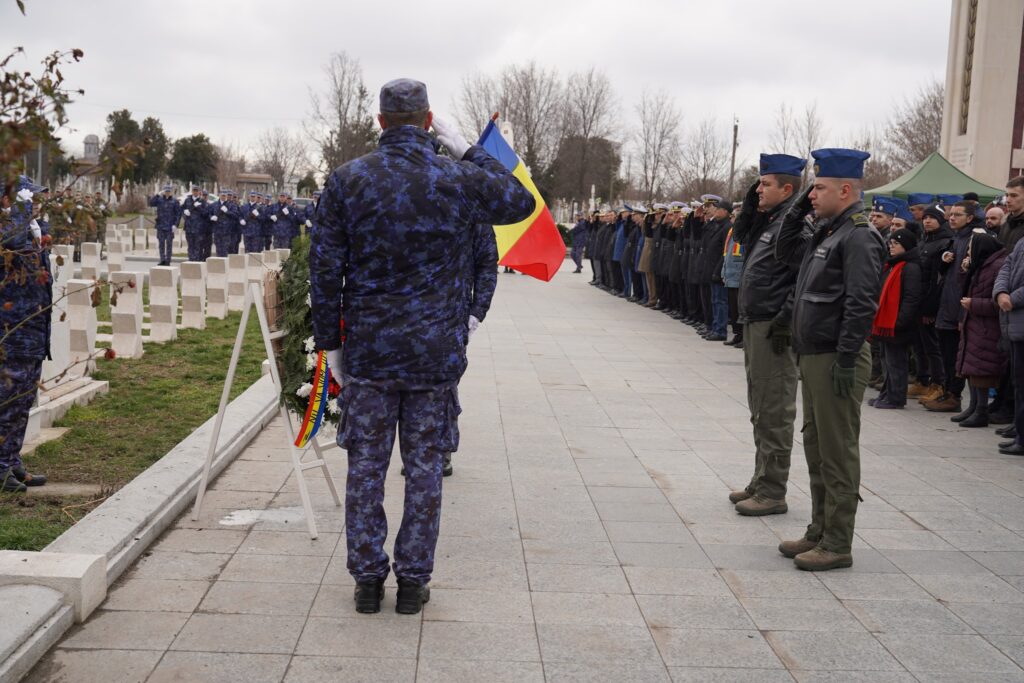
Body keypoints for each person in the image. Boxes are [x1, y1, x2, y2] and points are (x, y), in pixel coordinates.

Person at [309, 78, 535, 615]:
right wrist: (468, 148)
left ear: (381, 121)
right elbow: (520, 203)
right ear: (429, 120)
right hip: (434, 353)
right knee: (425, 469)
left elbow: (325, 272)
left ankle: (367, 580)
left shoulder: (348, 180)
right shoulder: (458, 177)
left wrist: (329, 346)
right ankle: (412, 582)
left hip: (369, 351)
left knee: (365, 467)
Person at [774, 148, 885, 571]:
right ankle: (819, 530)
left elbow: (861, 304)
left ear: (845, 189)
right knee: (816, 446)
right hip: (815, 354)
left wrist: (845, 357)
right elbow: (786, 251)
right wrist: (803, 203)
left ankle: (838, 542)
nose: (812, 195)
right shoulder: (829, 231)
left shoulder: (858, 235)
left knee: (837, 452)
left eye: (818, 188)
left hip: (836, 358)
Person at [727, 154, 806, 515]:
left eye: (766, 184)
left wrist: (783, 319)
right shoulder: (774, 220)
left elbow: (800, 280)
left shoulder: (796, 224)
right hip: (757, 320)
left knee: (774, 408)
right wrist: (752, 198)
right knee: (760, 404)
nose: (759, 190)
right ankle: (762, 479)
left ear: (787, 188)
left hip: (774, 325)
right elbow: (742, 233)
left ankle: (773, 490)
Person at [1, 176, 51, 493]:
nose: (37, 202)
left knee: (22, 404)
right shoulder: (10, 232)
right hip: (13, 331)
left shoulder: (32, 230)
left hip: (34, 331)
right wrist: (21, 207)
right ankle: (1, 467)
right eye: (30, 197)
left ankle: (12, 460)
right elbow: (15, 243)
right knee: (7, 403)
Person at [923, 203, 976, 412]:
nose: (952, 218)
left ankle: (954, 395)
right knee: (945, 352)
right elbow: (946, 274)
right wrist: (945, 261)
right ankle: (947, 391)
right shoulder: (956, 239)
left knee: (954, 353)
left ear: (969, 218)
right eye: (951, 214)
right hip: (946, 304)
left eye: (957, 215)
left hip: (960, 306)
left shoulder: (974, 239)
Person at [951, 230, 1008, 428]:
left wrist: (974, 304)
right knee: (971, 367)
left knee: (981, 370)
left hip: (986, 326)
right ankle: (974, 406)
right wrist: (964, 270)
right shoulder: (981, 264)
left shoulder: (997, 267)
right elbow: (965, 288)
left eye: (970, 249)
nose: (967, 253)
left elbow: (998, 301)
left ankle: (981, 410)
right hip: (973, 323)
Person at [870, 229, 923, 409]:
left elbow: (911, 298)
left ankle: (896, 397)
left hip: (897, 324)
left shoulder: (911, 267)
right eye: (890, 244)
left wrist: (899, 321)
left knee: (896, 362)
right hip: (886, 322)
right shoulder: (892, 264)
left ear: (906, 246)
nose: (891, 247)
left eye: (896, 244)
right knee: (887, 360)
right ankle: (887, 393)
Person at [908, 204, 954, 403]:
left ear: (941, 220)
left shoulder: (945, 242)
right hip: (917, 301)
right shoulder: (923, 241)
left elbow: (938, 279)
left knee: (932, 347)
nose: (927, 221)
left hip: (930, 303)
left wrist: (930, 307)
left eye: (932, 217)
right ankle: (922, 379)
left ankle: (938, 383)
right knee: (919, 346)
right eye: (925, 217)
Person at [995, 225, 1024, 456]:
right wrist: (1001, 292)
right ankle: (1020, 434)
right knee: (1019, 382)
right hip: (1015, 324)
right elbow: (1007, 266)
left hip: (1018, 313)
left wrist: (1012, 298)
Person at [702, 199, 731, 341]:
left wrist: (718, 271)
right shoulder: (717, 225)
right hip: (712, 269)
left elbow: (724, 252)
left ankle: (720, 331)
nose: (716, 211)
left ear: (725, 211)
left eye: (718, 209)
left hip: (719, 270)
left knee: (720, 301)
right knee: (714, 300)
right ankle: (714, 328)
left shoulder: (727, 227)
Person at [149, 185, 181, 266]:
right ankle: (162, 259)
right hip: (161, 226)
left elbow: (178, 214)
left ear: (171, 192)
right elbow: (151, 203)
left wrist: (176, 225)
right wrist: (157, 195)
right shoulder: (159, 200)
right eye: (166, 191)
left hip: (170, 227)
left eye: (168, 191)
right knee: (161, 244)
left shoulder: (175, 201)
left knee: (169, 245)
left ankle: (168, 261)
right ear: (164, 191)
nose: (167, 193)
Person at [181, 186, 207, 261]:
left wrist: (199, 207)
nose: (195, 192)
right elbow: (181, 209)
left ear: (199, 192)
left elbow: (205, 213)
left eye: (197, 191)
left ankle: (196, 262)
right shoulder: (187, 200)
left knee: (197, 246)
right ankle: (191, 260)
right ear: (192, 191)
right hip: (189, 227)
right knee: (190, 246)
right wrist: (184, 213)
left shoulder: (202, 201)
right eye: (194, 190)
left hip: (198, 228)